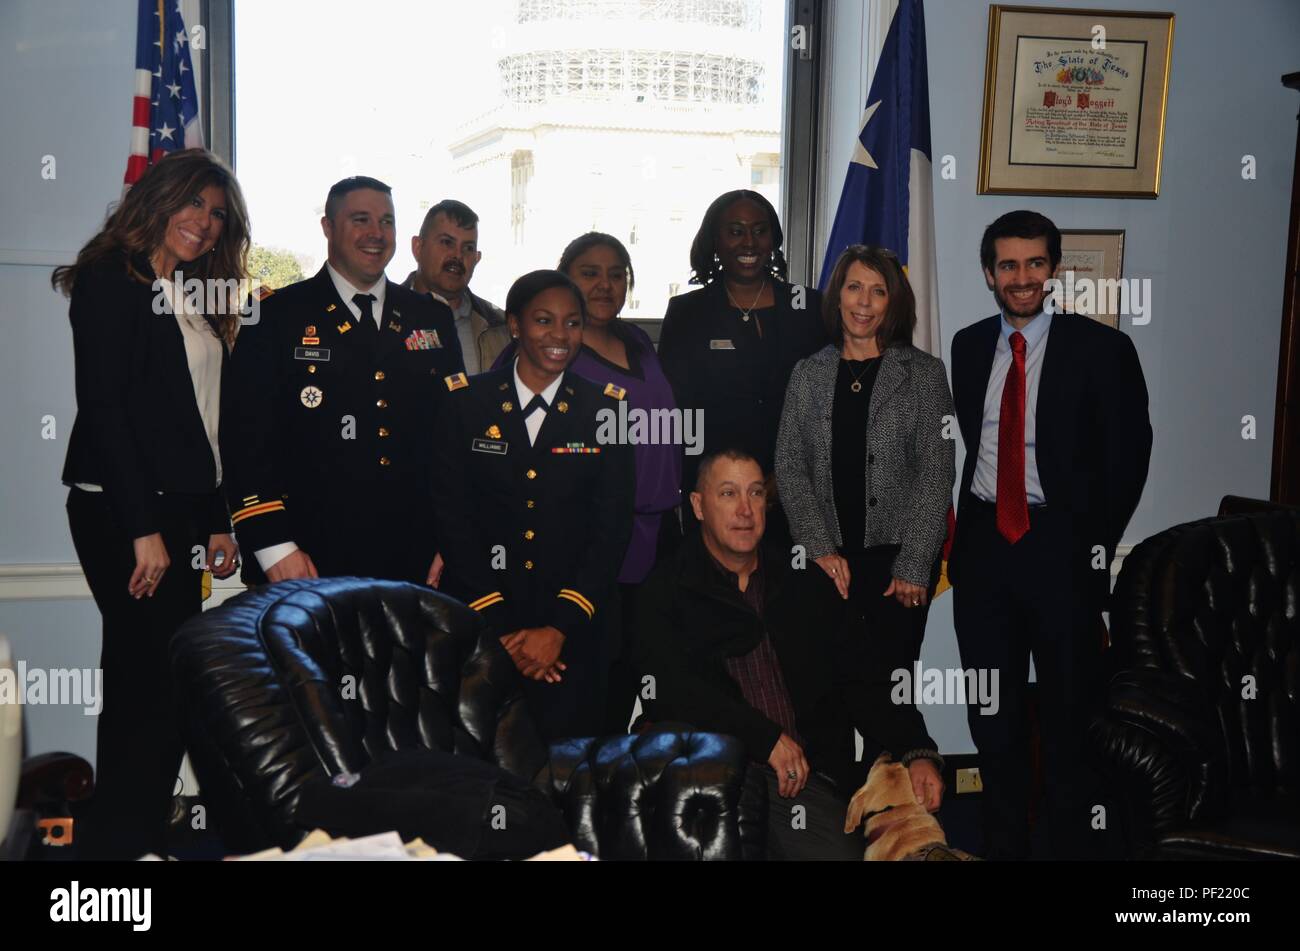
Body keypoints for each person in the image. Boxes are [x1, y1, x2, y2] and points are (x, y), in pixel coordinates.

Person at [54, 148, 251, 859]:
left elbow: (202, 421)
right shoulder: (113, 278)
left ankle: (130, 837)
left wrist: (217, 520)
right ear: (160, 198)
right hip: (122, 510)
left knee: (157, 681)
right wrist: (143, 529)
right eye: (193, 203)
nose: (203, 221)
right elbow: (104, 410)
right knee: (147, 684)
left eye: (216, 213)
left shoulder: (191, 293)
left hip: (177, 512)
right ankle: (120, 849)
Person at [948, 210, 1152, 859]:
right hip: (984, 555)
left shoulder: (1103, 350)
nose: (1022, 277)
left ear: (1054, 269)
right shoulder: (967, 344)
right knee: (994, 723)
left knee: (1068, 727)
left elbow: (1130, 456)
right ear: (989, 273)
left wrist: (1088, 541)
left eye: (1036, 263)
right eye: (1008, 264)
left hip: (1060, 555)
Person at [634, 448, 945, 860]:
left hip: (803, 783)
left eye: (756, 493)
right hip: (709, 778)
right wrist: (763, 740)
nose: (745, 510)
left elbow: (865, 678)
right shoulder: (667, 589)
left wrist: (916, 749)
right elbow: (671, 690)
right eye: (728, 494)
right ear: (698, 506)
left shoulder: (804, 584)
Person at [221, 176, 464, 588]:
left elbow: (454, 437)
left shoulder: (431, 318)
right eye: (361, 219)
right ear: (328, 227)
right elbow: (245, 440)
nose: (376, 233)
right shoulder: (274, 317)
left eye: (387, 221)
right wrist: (274, 548)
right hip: (305, 557)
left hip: (416, 558)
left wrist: (455, 537)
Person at [432, 270, 634, 742]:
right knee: (480, 768)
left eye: (572, 323)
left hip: (574, 632)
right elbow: (452, 518)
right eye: (544, 321)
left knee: (571, 775)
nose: (560, 336)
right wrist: (500, 628)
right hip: (483, 620)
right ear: (515, 325)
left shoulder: (609, 410)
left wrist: (558, 630)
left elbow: (612, 525)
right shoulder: (466, 403)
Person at [493, 233, 682, 731]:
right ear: (565, 277)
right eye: (590, 272)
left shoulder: (638, 340)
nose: (605, 284)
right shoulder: (553, 350)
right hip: (588, 542)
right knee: (583, 679)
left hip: (655, 537)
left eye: (616, 273)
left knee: (635, 674)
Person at [776, 244, 955, 711]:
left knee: (888, 699)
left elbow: (936, 473)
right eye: (854, 287)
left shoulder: (924, 375)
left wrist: (915, 563)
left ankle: (892, 782)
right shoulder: (808, 374)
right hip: (826, 563)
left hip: (896, 569)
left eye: (878, 292)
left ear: (893, 302)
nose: (864, 302)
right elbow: (790, 465)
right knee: (823, 694)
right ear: (837, 295)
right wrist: (818, 548)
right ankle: (833, 787)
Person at [658, 190, 826, 544]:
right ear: (715, 241)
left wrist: (785, 476)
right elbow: (678, 411)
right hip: (713, 492)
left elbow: (825, 404)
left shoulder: (810, 307)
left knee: (788, 594)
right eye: (735, 231)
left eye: (759, 230)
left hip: (794, 493)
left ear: (773, 239)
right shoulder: (688, 312)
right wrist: (719, 483)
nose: (748, 241)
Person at [402, 198, 508, 373]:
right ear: (418, 247)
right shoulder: (383, 317)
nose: (457, 255)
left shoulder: (499, 328)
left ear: (477, 258)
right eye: (446, 242)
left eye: (468, 248)